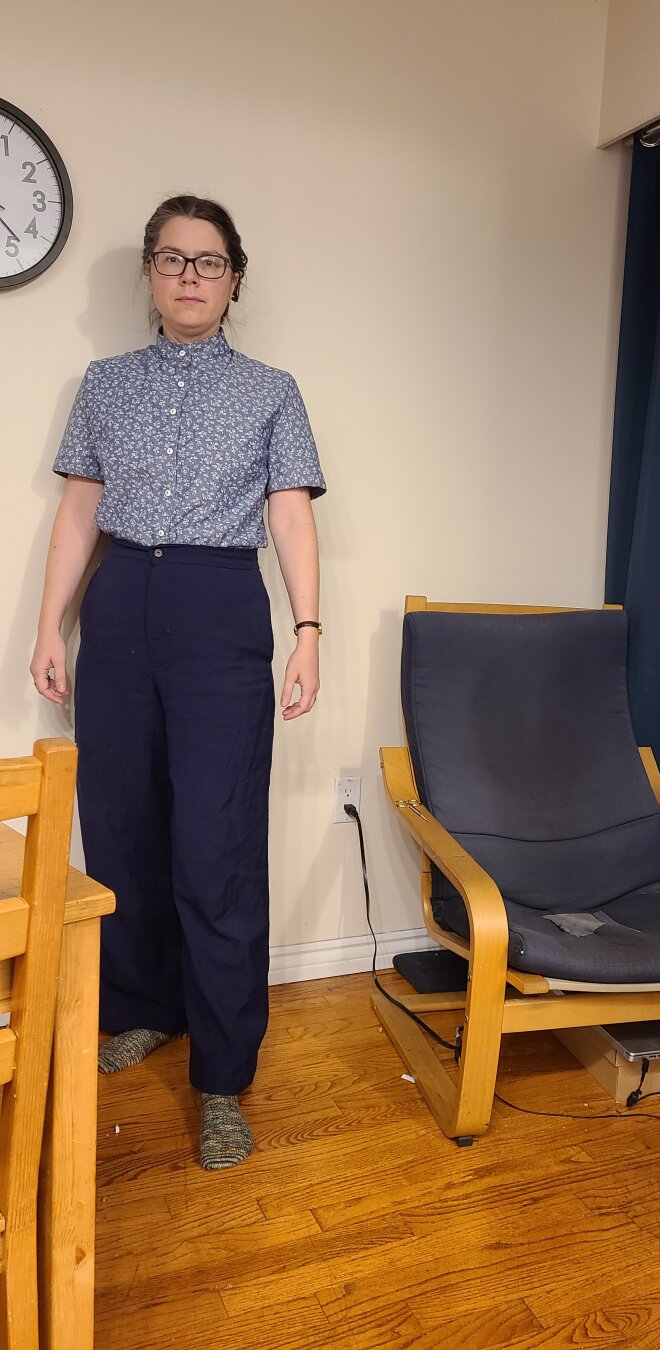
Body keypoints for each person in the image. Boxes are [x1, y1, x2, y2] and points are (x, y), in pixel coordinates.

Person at [30, 195, 325, 1170]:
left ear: (234, 278)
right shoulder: (105, 384)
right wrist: (50, 627)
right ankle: (146, 1008)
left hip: (217, 608)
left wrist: (309, 630)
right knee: (121, 824)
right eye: (171, 258)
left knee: (217, 838)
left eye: (208, 261)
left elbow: (289, 518)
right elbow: (79, 516)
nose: (189, 275)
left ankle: (223, 1077)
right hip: (119, 609)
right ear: (150, 276)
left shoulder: (273, 390)